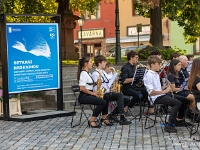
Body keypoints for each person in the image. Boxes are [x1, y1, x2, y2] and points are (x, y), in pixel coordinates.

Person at [144, 55, 182, 133]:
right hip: (155, 98)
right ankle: (169, 124)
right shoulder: (149, 75)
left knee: (182, 99)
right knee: (177, 103)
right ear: (152, 65)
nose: (160, 66)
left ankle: (177, 121)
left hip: (160, 95)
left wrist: (164, 86)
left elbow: (157, 89)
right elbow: (151, 93)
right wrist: (164, 91)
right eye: (158, 64)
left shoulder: (155, 74)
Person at [92, 55, 131, 125]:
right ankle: (122, 116)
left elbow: (107, 83)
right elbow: (96, 87)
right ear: (99, 63)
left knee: (127, 100)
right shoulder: (95, 74)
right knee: (120, 95)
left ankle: (113, 114)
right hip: (101, 94)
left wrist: (112, 86)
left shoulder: (103, 72)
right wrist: (108, 90)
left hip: (107, 92)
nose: (105, 63)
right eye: (104, 62)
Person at [77, 56, 112, 128]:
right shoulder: (83, 74)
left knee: (106, 97)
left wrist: (96, 83)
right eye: (90, 62)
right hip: (84, 96)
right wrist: (93, 93)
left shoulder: (88, 73)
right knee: (102, 102)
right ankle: (92, 120)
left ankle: (104, 118)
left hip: (88, 94)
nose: (92, 63)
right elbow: (82, 88)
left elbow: (89, 85)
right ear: (86, 64)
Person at [167, 59, 195, 125]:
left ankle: (184, 116)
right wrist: (182, 88)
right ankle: (190, 113)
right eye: (178, 65)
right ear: (174, 66)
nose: (180, 66)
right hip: (174, 93)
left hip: (179, 91)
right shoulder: (171, 75)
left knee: (194, 95)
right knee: (192, 97)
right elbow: (173, 89)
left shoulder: (176, 74)